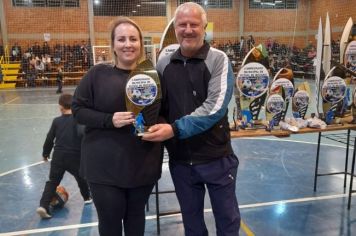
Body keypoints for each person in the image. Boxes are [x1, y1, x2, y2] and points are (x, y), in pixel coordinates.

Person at [142, 2, 240, 236]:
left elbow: (214, 108)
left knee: (227, 222)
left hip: (216, 158)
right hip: (181, 162)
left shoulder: (218, 60)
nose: (188, 29)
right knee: (192, 225)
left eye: (194, 24)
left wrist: (173, 129)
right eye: (182, 24)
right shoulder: (164, 63)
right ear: (175, 28)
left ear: (204, 27)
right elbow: (159, 105)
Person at [71, 17, 162, 236]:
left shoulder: (153, 77)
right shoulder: (97, 75)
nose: (127, 44)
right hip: (104, 167)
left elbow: (164, 113)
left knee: (136, 220)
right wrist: (108, 120)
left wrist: (162, 127)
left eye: (133, 39)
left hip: (142, 164)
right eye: (121, 39)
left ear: (141, 43)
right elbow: (78, 110)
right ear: (112, 45)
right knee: (110, 223)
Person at [36, 93, 92, 219]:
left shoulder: (56, 121)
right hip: (75, 156)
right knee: (81, 177)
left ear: (61, 107)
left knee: (52, 182)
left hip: (58, 156)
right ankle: (87, 197)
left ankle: (43, 205)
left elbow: (49, 139)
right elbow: (85, 137)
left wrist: (45, 154)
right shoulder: (79, 120)